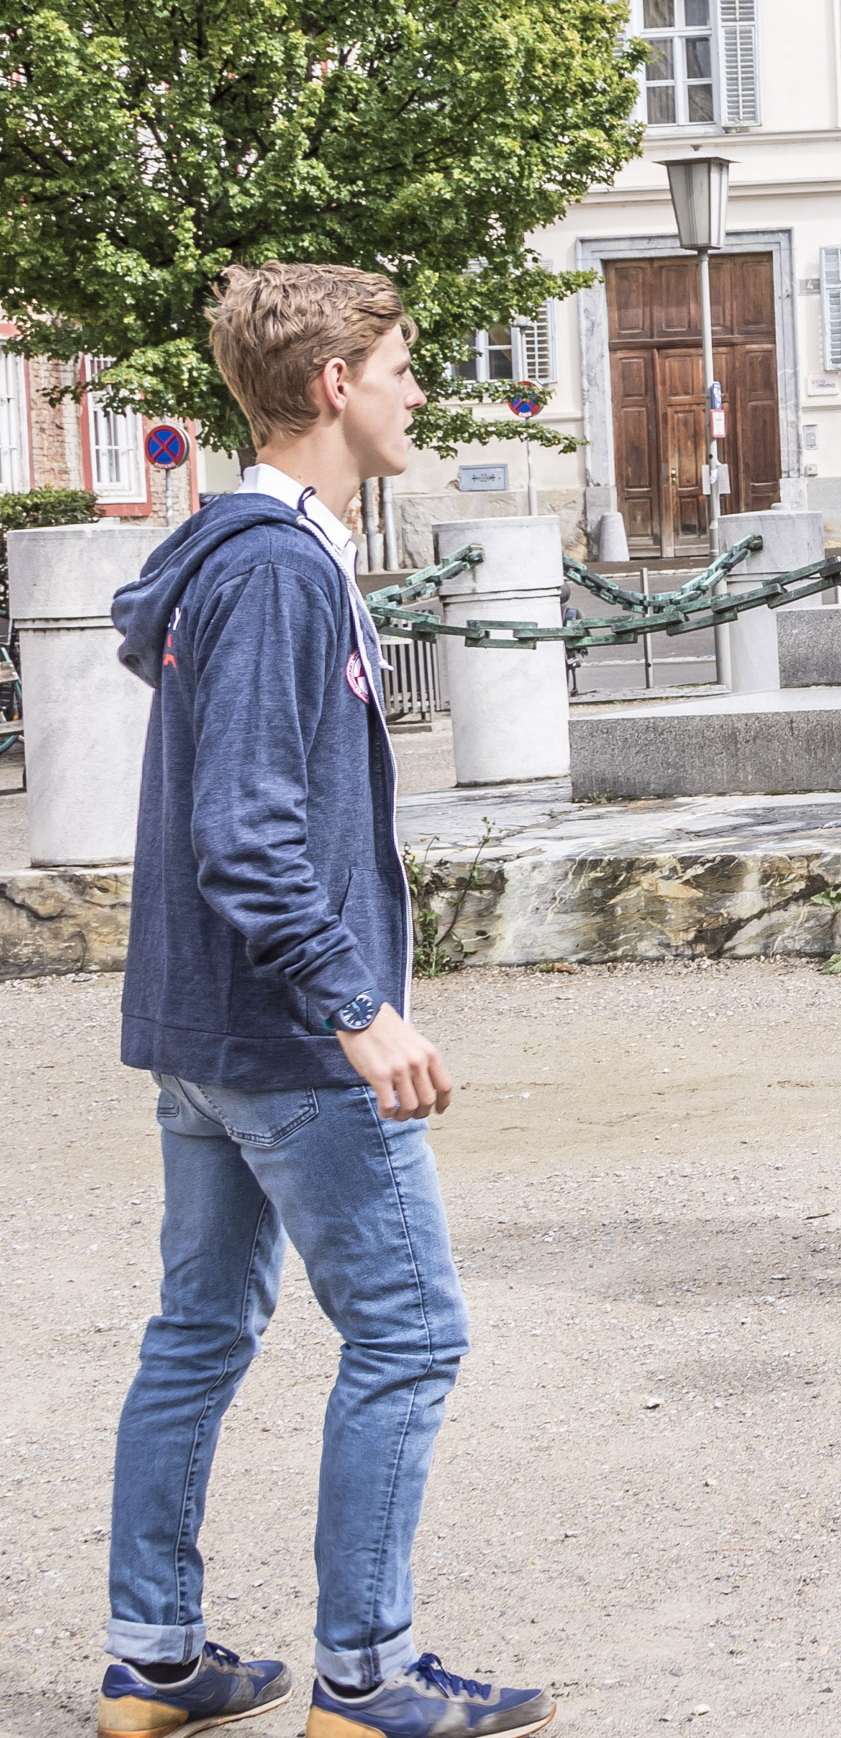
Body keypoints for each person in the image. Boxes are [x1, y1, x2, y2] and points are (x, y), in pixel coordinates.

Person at [103, 265, 553, 1737]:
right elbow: (248, 826)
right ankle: (367, 1677)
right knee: (410, 1334)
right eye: (402, 364)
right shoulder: (276, 571)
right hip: (286, 1036)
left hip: (208, 1030)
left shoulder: (242, 558)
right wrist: (357, 1005)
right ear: (331, 386)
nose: (419, 388)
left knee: (201, 1329)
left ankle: (155, 1659)